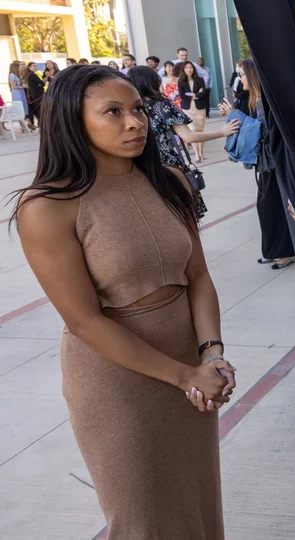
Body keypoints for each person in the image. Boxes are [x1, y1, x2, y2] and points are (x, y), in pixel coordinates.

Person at [9, 64, 237, 540]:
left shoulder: (169, 180)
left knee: (196, 506)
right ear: (73, 120)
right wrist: (184, 376)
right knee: (142, 519)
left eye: (136, 109)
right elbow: (85, 321)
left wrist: (211, 355)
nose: (134, 123)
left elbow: (197, 276)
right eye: (112, 112)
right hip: (118, 382)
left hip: (190, 362)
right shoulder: (47, 207)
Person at [220, 59, 295, 269]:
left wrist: (233, 114)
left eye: (242, 74)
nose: (239, 79)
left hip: (274, 162)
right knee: (267, 207)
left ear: (252, 75)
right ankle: (274, 250)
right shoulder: (256, 98)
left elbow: (262, 131)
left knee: (274, 208)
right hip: (268, 161)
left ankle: (284, 252)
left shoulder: (265, 99)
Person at [127, 66, 239, 219]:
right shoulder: (162, 106)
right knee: (185, 219)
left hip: (143, 169)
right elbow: (189, 136)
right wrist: (222, 132)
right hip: (171, 169)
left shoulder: (132, 110)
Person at [178, 61, 209, 161]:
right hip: (187, 108)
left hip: (199, 108)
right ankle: (196, 154)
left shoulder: (199, 80)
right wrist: (196, 94)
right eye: (186, 68)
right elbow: (182, 95)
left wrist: (192, 94)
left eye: (190, 68)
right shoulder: (181, 81)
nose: (189, 70)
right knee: (193, 131)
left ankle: (201, 153)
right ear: (183, 69)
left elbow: (204, 93)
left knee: (200, 131)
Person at [8, 62, 33, 130]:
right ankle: (24, 125)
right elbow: (14, 86)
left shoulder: (17, 74)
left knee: (24, 107)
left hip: (21, 92)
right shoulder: (12, 75)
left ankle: (27, 124)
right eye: (19, 66)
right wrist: (23, 86)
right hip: (17, 93)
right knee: (20, 108)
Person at [24, 62, 45, 127]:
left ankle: (40, 122)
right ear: (29, 67)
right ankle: (41, 123)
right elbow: (41, 83)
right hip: (37, 94)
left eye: (36, 66)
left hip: (34, 94)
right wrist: (41, 84)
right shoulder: (32, 75)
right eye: (34, 66)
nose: (36, 67)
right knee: (40, 109)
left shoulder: (31, 74)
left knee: (38, 109)